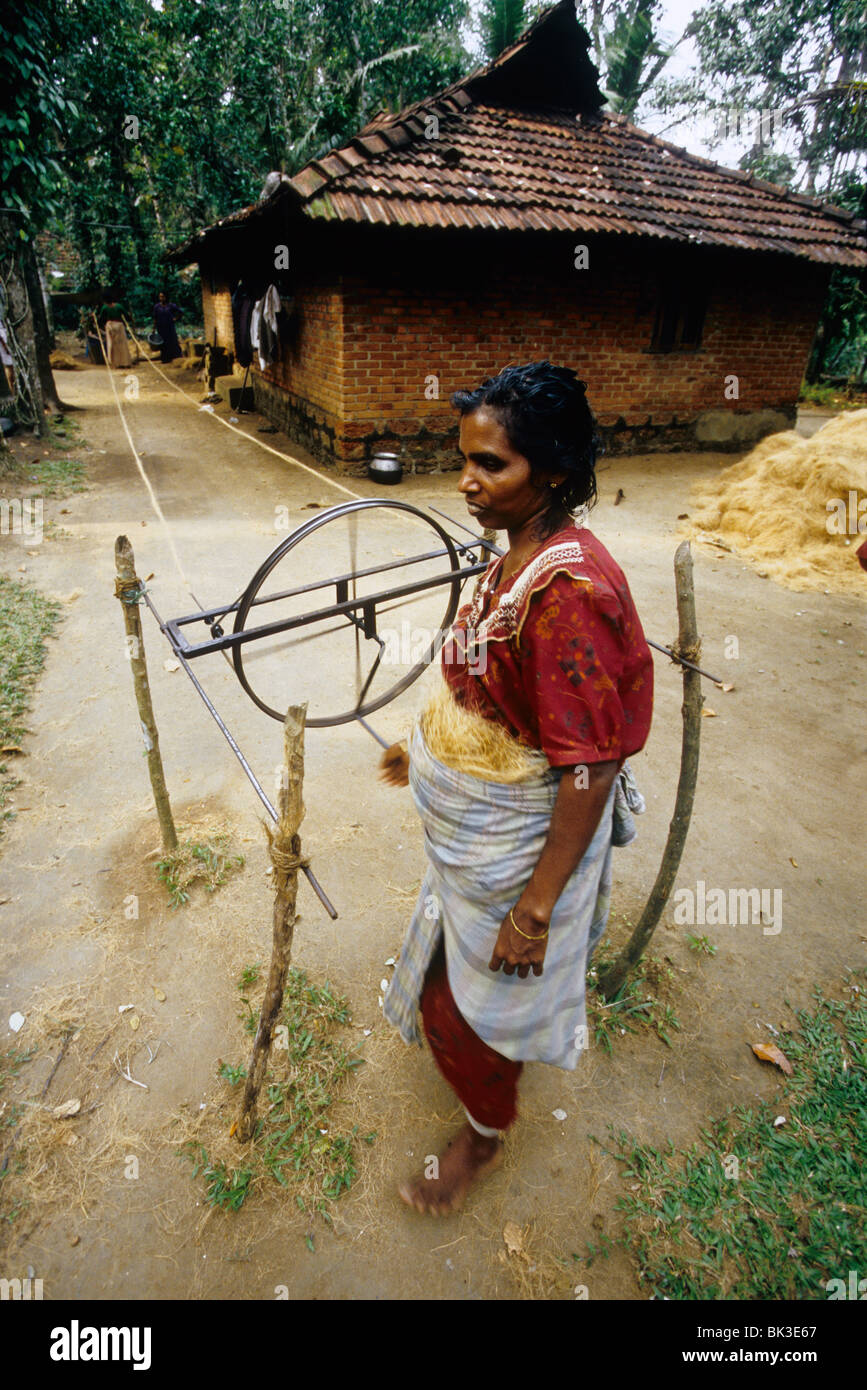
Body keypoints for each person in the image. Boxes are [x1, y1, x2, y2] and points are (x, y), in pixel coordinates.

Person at [381, 361, 654, 1215]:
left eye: (491, 465)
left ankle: (482, 1137)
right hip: (486, 834)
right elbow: (493, 689)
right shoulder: (519, 559)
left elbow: (590, 766)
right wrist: (424, 753)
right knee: (446, 969)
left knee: (468, 1010)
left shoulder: (568, 591)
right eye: (463, 458)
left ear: (555, 472)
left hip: (527, 849)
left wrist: (532, 913)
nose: (467, 480)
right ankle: (480, 1095)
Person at [99, 294, 132, 369]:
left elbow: (101, 319)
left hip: (110, 326)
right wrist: (130, 318)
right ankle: (124, 362)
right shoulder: (119, 306)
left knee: (112, 345)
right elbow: (127, 316)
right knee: (122, 345)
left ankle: (115, 363)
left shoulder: (104, 307)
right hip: (119, 326)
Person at [152, 291, 182, 363]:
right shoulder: (157, 307)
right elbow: (155, 318)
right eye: (160, 297)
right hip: (161, 327)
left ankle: (175, 356)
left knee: (172, 341)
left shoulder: (171, 306)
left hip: (169, 327)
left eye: (163, 297)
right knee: (163, 343)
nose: (161, 298)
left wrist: (175, 319)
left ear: (166, 297)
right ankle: (165, 358)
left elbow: (180, 312)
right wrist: (153, 328)